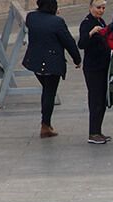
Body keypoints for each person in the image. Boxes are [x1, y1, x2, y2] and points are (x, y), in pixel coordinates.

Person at [22, 0, 82, 139]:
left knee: (47, 91)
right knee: (49, 92)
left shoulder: (31, 17)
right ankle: (45, 125)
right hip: (52, 63)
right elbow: (68, 42)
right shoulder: (57, 22)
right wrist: (77, 59)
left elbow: (39, 21)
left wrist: (51, 15)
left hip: (34, 62)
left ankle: (46, 123)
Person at [78, 0, 112, 145]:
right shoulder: (86, 23)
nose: (101, 10)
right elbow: (81, 44)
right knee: (95, 99)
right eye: (98, 7)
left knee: (102, 100)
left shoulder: (102, 21)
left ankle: (98, 131)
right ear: (91, 7)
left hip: (103, 65)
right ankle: (93, 132)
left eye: (103, 8)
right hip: (93, 68)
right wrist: (91, 33)